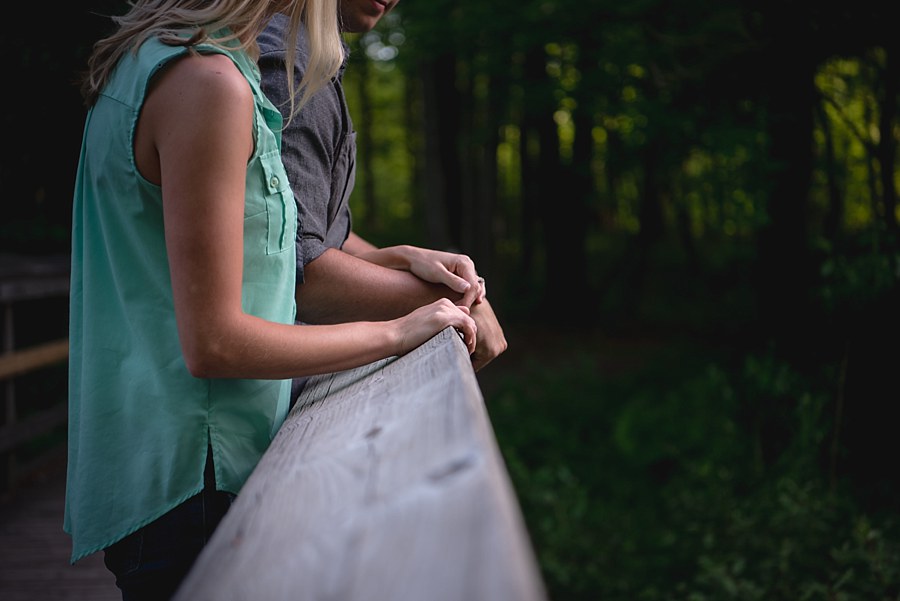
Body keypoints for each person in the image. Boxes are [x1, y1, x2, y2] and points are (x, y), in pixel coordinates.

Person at [65, 0, 477, 598]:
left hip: (160, 460)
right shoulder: (209, 85)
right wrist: (397, 330)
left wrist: (395, 256)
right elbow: (216, 342)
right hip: (197, 469)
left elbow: (267, 238)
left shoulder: (158, 62)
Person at [257, 0, 507, 389]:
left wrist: (402, 257)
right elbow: (294, 268)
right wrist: (455, 302)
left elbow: (309, 227)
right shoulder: (288, 66)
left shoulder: (313, 58)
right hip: (246, 407)